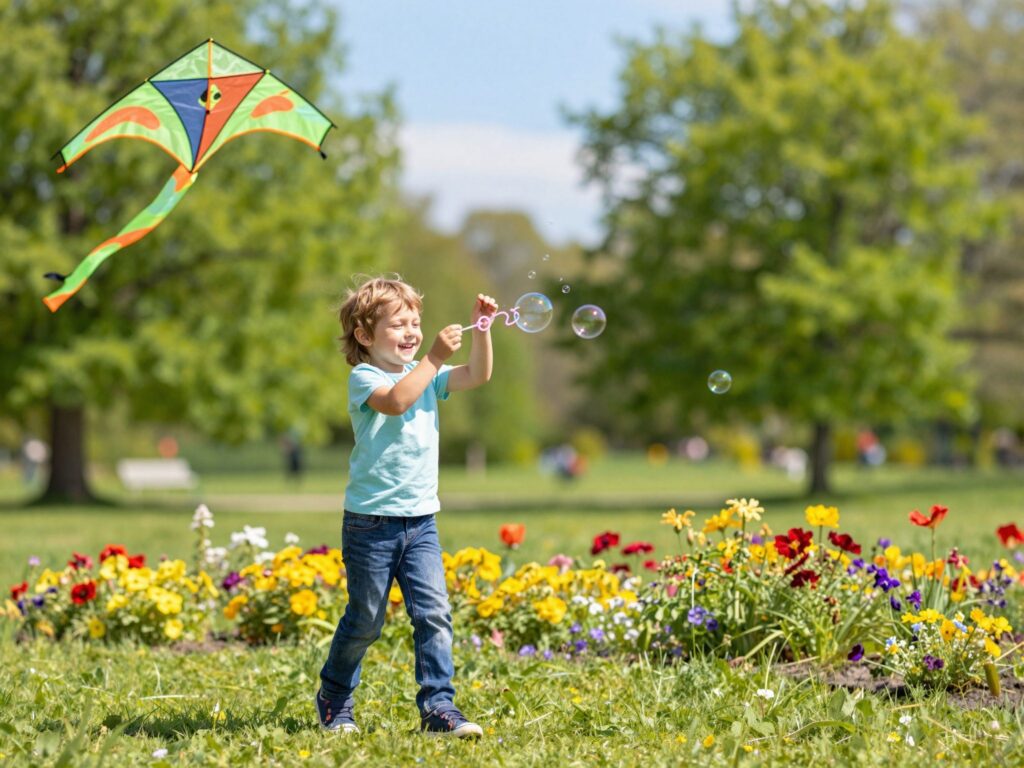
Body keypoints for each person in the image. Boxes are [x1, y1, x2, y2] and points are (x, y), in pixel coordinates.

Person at [316, 276, 497, 739]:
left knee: (434, 614)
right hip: (370, 525)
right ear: (364, 336)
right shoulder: (366, 377)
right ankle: (335, 696)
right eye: (398, 324)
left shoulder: (428, 374)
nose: (412, 331)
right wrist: (435, 356)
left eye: (415, 322)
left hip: (420, 523)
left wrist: (483, 329)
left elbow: (478, 375)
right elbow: (397, 403)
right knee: (365, 619)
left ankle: (439, 707)